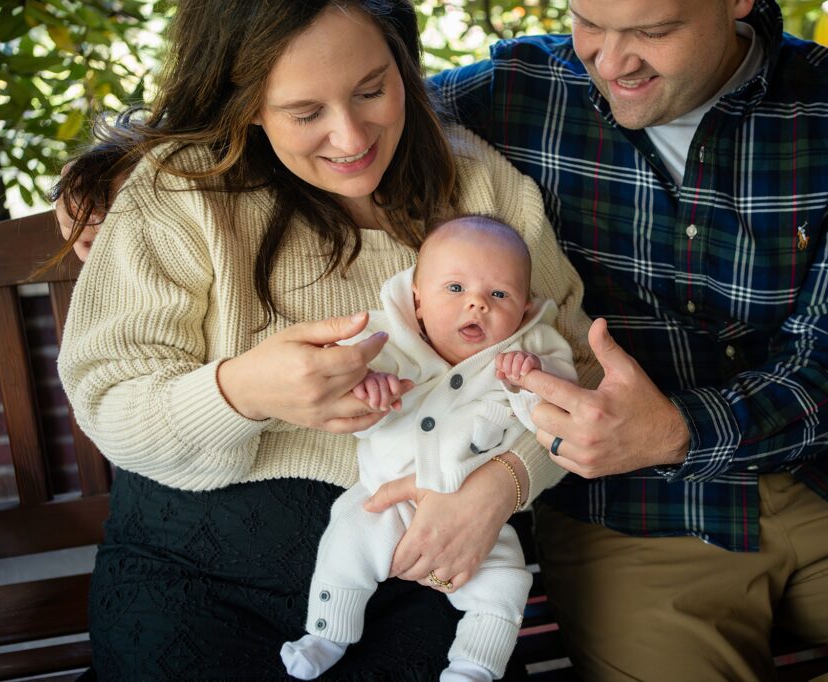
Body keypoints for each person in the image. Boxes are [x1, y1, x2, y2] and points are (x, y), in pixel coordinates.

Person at [424, 0, 828, 679]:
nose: (610, 63)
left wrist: (676, 430)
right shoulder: (510, 93)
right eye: (589, 22)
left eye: (652, 31)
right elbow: (334, 117)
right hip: (631, 517)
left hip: (818, 484)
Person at [53, 1, 596, 679]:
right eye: (306, 113)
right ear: (246, 102)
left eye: (372, 90)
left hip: (429, 565)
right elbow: (110, 401)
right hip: (199, 574)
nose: (350, 137)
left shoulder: (479, 186)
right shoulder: (177, 194)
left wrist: (505, 482)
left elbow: (576, 366)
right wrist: (241, 393)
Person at [283, 215, 577, 681]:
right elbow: (338, 388)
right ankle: (326, 633)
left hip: (478, 512)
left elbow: (562, 415)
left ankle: (474, 667)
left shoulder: (532, 348)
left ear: (523, 310)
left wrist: (532, 379)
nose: (477, 303)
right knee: (347, 538)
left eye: (499, 295)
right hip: (384, 496)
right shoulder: (384, 339)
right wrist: (369, 385)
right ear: (417, 300)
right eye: (455, 288)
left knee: (506, 585)